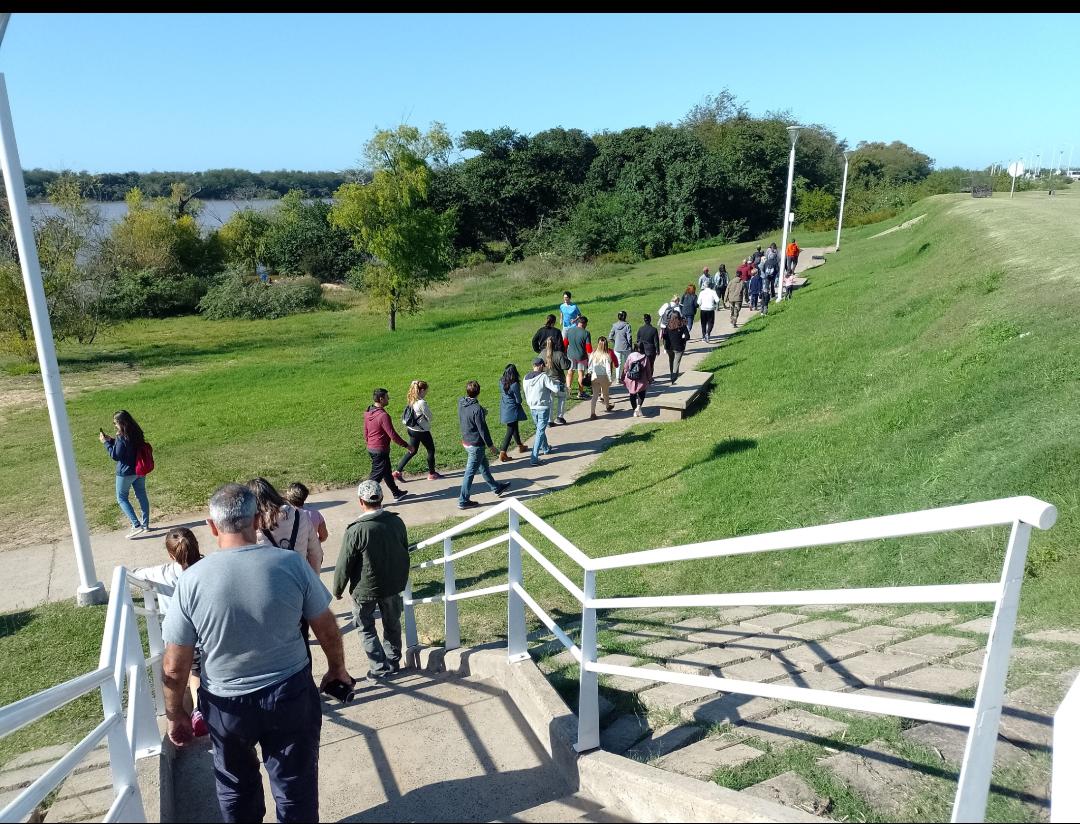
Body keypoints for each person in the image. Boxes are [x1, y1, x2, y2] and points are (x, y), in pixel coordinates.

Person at [162, 483, 352, 824]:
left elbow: (175, 667)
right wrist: (337, 669)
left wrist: (175, 713)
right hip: (290, 694)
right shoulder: (292, 565)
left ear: (212, 526)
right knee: (295, 785)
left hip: (225, 705)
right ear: (257, 519)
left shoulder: (191, 582)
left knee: (235, 787)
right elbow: (326, 627)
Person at [132, 527, 207, 737]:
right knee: (202, 672)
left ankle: (198, 711)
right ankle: (203, 706)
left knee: (192, 671)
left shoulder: (162, 573)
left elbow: (134, 574)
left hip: (179, 639)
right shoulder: (209, 568)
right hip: (208, 634)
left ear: (171, 554)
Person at [332, 480, 410, 679]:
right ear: (382, 498)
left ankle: (378, 667)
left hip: (364, 589)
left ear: (361, 501)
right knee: (392, 623)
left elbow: (344, 563)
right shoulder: (397, 522)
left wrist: (338, 589)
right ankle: (393, 661)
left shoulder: (355, 530)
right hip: (392, 585)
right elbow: (404, 550)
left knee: (366, 627)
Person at [248, 477, 323, 575]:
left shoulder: (253, 525)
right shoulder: (299, 515)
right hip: (299, 577)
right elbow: (315, 554)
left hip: (272, 582)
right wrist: (314, 580)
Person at [457, 381, 511, 510]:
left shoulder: (461, 402)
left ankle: (496, 488)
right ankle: (463, 500)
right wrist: (491, 445)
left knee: (484, 466)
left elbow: (470, 416)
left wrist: (482, 413)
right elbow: (483, 429)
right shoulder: (477, 409)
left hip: (466, 441)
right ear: (479, 392)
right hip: (476, 445)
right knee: (470, 473)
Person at [99, 410, 151, 538]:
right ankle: (145, 525)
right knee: (142, 495)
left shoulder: (122, 436)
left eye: (115, 423)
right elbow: (125, 448)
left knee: (121, 498)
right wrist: (112, 440)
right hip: (139, 470)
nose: (114, 425)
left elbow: (116, 455)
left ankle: (136, 524)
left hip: (125, 473)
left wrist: (105, 443)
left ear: (121, 423)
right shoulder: (136, 432)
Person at [365, 388, 409, 502]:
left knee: (386, 472)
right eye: (386, 397)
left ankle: (396, 493)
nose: (388, 399)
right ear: (381, 399)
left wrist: (370, 443)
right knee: (375, 479)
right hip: (380, 450)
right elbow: (393, 435)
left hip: (372, 447)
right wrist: (407, 445)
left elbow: (366, 431)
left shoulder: (368, 412)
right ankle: (368, 499)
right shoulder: (383, 416)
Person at [393, 380, 441, 482]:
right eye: (426, 391)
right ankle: (432, 473)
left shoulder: (411, 399)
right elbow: (430, 417)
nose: (427, 393)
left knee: (412, 450)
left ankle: (398, 471)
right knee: (431, 450)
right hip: (422, 431)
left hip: (411, 430)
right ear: (422, 390)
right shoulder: (422, 403)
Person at [523, 357, 561, 466]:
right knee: (540, 431)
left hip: (532, 407)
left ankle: (546, 448)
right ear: (540, 366)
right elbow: (556, 389)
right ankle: (534, 458)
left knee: (540, 429)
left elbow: (525, 393)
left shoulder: (525, 378)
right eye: (543, 366)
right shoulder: (543, 377)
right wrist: (557, 383)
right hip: (543, 407)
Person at [498, 363, 529, 462]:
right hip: (513, 409)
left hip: (505, 408)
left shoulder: (501, 381)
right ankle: (503, 452)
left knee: (514, 427)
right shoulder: (514, 384)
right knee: (510, 430)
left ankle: (520, 445)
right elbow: (519, 400)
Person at [543, 338, 572, 426]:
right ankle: (560, 417)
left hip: (547, 381)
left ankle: (549, 420)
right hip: (559, 381)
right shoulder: (559, 354)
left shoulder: (542, 354)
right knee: (562, 397)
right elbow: (565, 367)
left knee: (550, 400)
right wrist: (568, 360)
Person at [587, 337, 616, 418]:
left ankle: (592, 413)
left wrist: (589, 373)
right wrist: (610, 379)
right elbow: (608, 369)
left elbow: (589, 365)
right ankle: (607, 406)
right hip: (603, 377)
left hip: (594, 376)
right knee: (605, 393)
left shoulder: (593, 354)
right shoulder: (606, 355)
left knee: (595, 395)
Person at [622, 343, 653, 418]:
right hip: (642, 379)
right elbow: (648, 370)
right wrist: (650, 379)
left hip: (631, 378)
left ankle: (635, 409)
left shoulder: (631, 356)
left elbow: (626, 367)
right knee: (642, 393)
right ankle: (639, 406)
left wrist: (623, 376)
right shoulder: (645, 357)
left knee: (632, 395)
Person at [565, 315, 592, 399]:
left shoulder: (569, 330)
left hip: (570, 355)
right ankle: (580, 393)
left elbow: (565, 344)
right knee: (581, 374)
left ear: (578, 322)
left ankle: (568, 390)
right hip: (581, 356)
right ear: (585, 324)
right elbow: (588, 348)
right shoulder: (586, 333)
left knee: (570, 372)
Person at [661, 314, 691, 383]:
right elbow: (687, 337)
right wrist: (682, 340)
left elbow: (664, 337)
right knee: (676, 362)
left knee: (671, 361)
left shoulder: (668, 326)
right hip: (679, 347)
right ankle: (674, 378)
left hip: (669, 347)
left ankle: (672, 374)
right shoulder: (682, 325)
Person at [609, 310, 633, 383]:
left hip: (617, 347)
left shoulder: (614, 325)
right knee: (627, 362)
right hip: (626, 347)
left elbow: (610, 337)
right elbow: (629, 337)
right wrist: (630, 345)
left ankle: (617, 379)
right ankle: (627, 377)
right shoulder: (627, 325)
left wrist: (615, 342)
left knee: (618, 363)